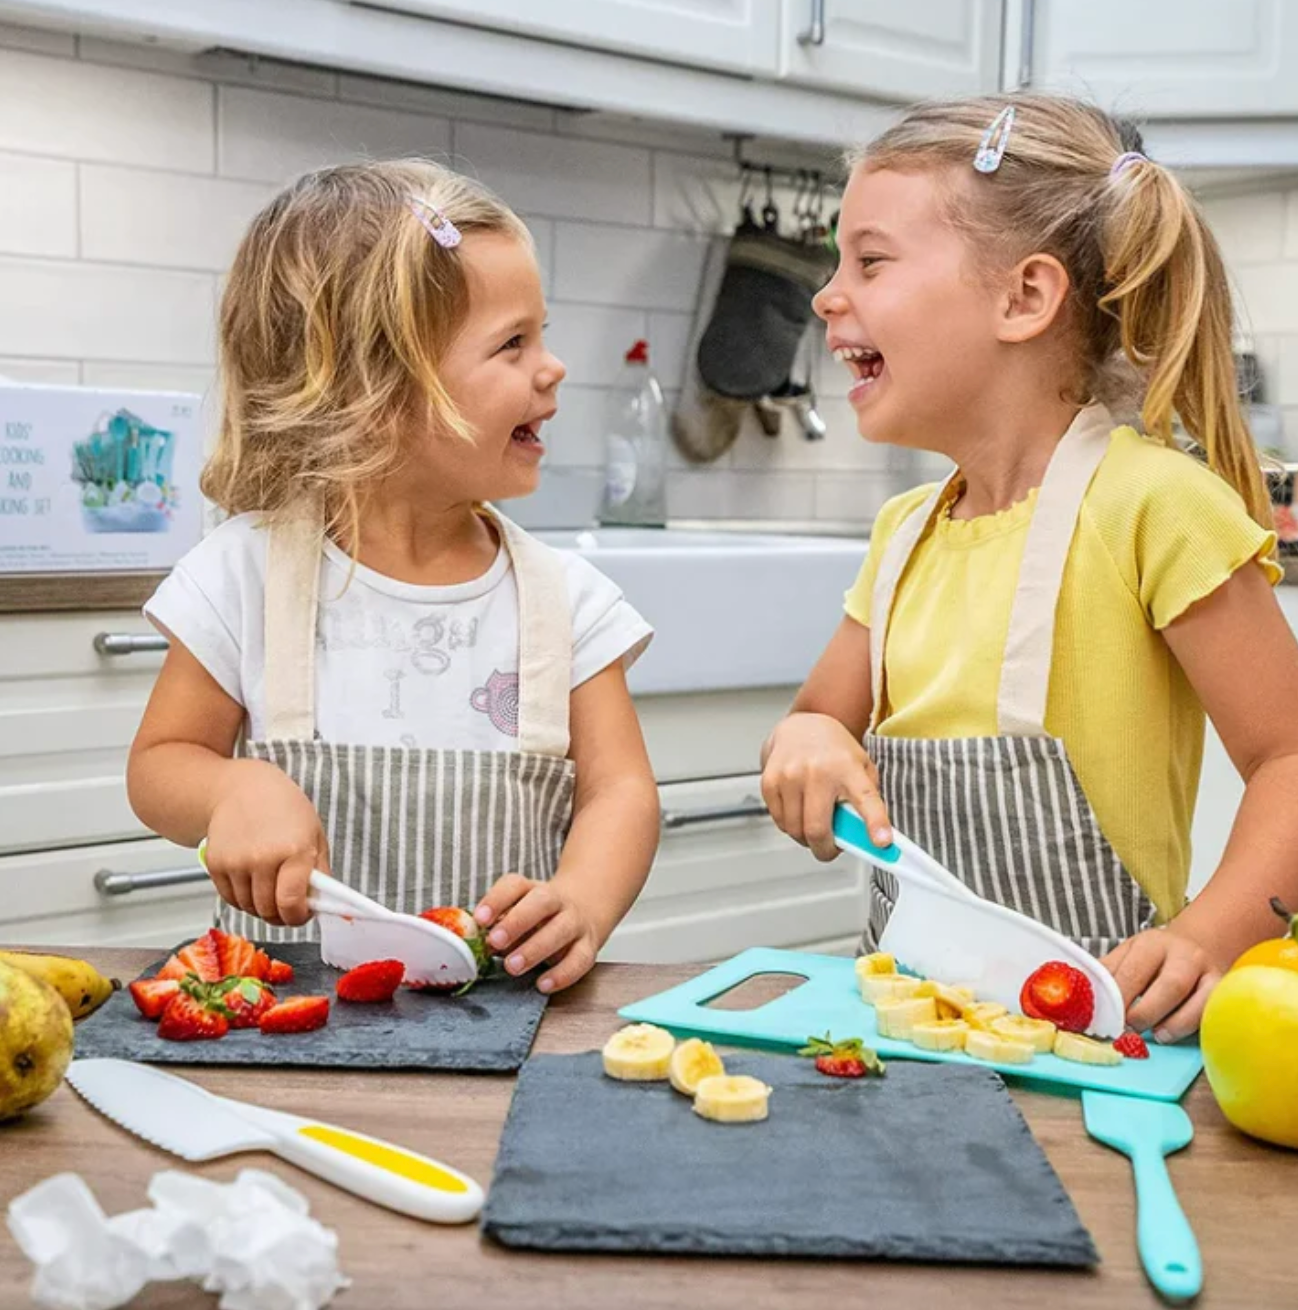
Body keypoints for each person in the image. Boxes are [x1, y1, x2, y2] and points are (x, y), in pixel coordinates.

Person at [761, 94, 1298, 1040]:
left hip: (1105, 1039)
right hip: (906, 1034)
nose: (826, 293)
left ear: (1025, 298)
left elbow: (1289, 757)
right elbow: (813, 718)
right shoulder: (903, 535)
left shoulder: (1151, 506)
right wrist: (806, 745)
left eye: (871, 261)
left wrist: (1214, 939)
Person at [128, 160, 660, 994]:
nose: (552, 368)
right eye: (513, 343)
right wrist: (234, 787)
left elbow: (621, 792)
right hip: (283, 1017)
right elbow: (161, 763)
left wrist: (582, 901)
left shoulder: (566, 602)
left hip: (504, 1015)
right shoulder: (245, 575)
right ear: (377, 390)